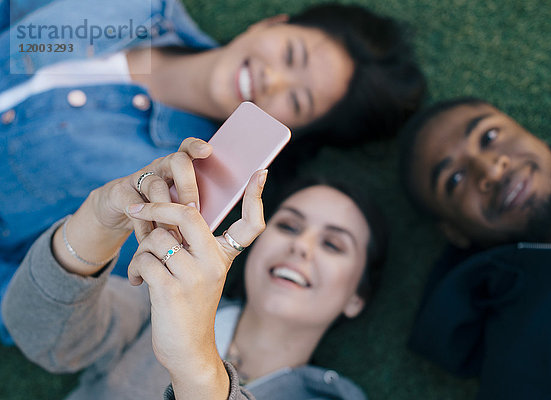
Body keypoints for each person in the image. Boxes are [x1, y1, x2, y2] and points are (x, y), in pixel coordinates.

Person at [0, 0, 424, 343]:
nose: (272, 79)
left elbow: (36, 300)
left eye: (297, 102)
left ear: (290, 132)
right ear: (268, 25)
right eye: (290, 53)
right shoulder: (137, 10)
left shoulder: (176, 195)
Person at [1, 137, 387, 399]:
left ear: (357, 297)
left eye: (333, 244)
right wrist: (100, 218)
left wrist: (195, 364)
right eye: (288, 226)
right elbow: (38, 332)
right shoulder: (156, 300)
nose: (301, 247)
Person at [398, 97, 551, 399]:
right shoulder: (519, 360)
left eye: (489, 137)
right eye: (454, 179)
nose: (492, 171)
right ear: (454, 233)